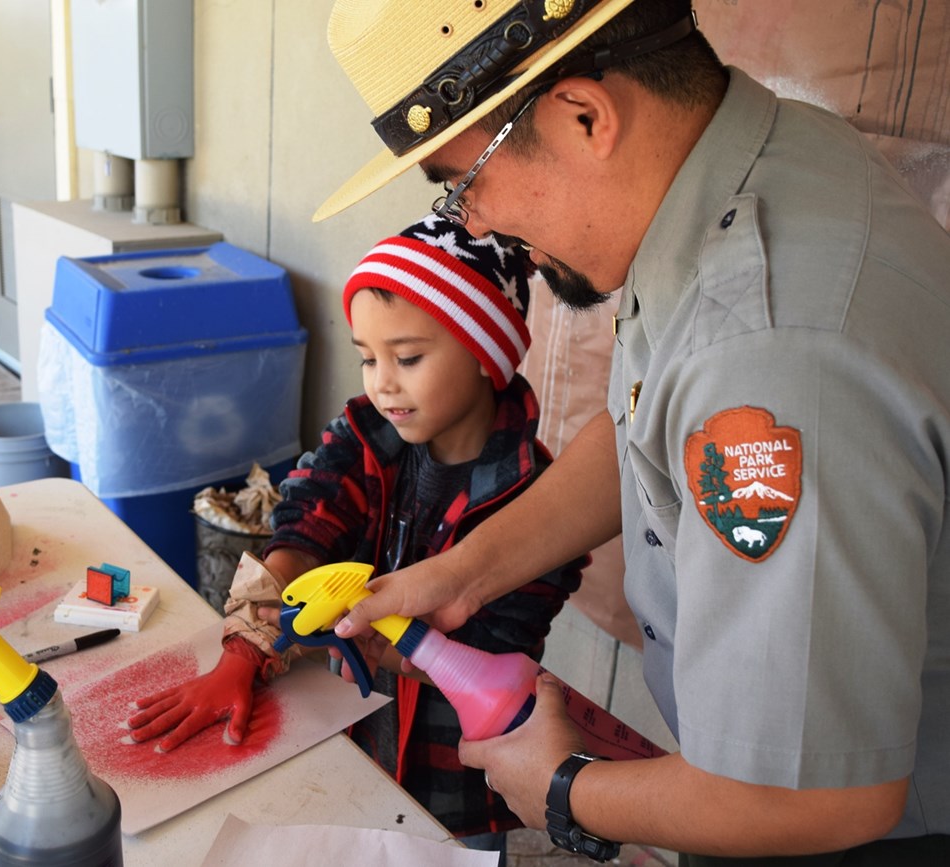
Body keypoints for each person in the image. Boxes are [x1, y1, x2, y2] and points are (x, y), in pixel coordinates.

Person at [314, 1, 950, 865]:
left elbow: (815, 795)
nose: (473, 224)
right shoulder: (747, 161)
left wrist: (563, 791)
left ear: (585, 118)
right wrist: (461, 574)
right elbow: (650, 428)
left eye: (463, 184)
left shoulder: (765, 349)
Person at [126, 214, 585, 861]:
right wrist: (243, 652)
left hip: (461, 767)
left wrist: (356, 631)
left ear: (487, 354)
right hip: (353, 728)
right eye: (368, 357)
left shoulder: (539, 499)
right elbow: (303, 526)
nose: (381, 381)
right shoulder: (367, 432)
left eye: (408, 357)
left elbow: (491, 650)